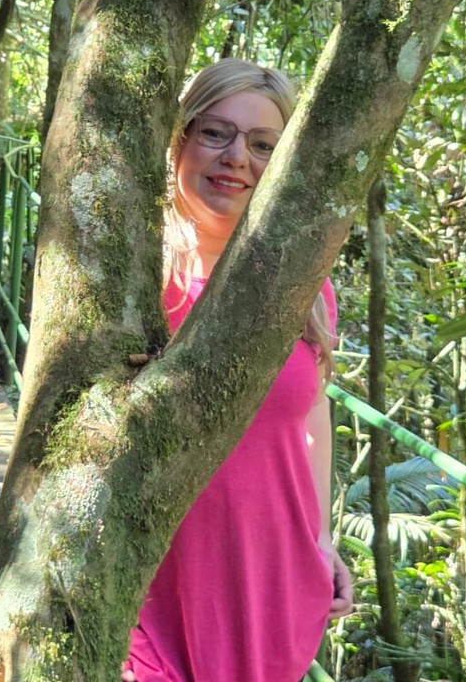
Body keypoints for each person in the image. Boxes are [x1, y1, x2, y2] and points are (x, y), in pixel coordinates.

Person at [123, 59, 353, 682]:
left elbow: (312, 411)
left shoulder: (305, 286)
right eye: (216, 133)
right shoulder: (132, 278)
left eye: (261, 145)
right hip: (149, 588)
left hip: (268, 579)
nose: (236, 158)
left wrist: (322, 540)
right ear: (181, 138)